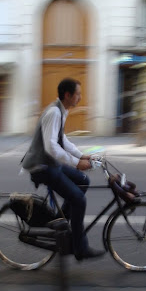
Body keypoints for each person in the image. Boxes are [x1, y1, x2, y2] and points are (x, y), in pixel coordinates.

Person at [22, 77, 105, 261]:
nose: (80, 98)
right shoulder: (54, 112)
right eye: (78, 94)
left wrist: (81, 155)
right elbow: (51, 146)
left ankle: (60, 222)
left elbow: (62, 140)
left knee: (83, 181)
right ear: (68, 95)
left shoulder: (61, 110)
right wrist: (76, 163)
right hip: (41, 166)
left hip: (50, 163)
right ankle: (80, 248)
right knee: (79, 200)